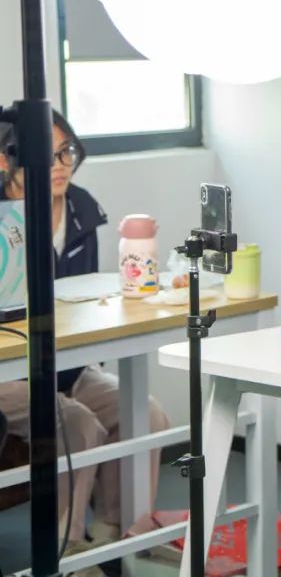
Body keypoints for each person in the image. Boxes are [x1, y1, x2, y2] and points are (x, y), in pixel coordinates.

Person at [0, 111, 169, 575]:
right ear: (8, 160)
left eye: (66, 152)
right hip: (9, 372)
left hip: (66, 364)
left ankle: (116, 536)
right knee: (75, 423)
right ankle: (67, 550)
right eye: (46, 155)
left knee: (145, 413)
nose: (60, 165)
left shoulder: (80, 208)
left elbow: (83, 296)